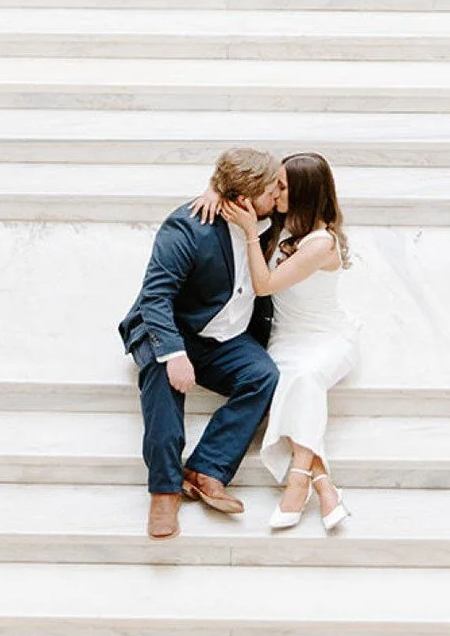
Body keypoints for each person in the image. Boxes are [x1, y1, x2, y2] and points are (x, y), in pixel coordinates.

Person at [118, 147, 284, 540]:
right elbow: (155, 298)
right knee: (160, 378)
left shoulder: (269, 218)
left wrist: (216, 185)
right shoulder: (187, 228)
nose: (278, 195)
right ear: (245, 199)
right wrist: (174, 353)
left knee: (264, 376)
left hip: (224, 337)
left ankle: (207, 467)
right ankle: (164, 489)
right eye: (272, 191)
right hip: (172, 330)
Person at [211, 152, 358, 532]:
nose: (273, 191)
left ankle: (297, 481)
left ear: (305, 194)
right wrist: (213, 191)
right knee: (292, 381)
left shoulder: (321, 244)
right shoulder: (280, 223)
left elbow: (264, 285)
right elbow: (233, 179)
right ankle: (325, 486)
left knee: (305, 379)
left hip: (325, 338)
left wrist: (247, 234)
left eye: (282, 186)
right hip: (284, 339)